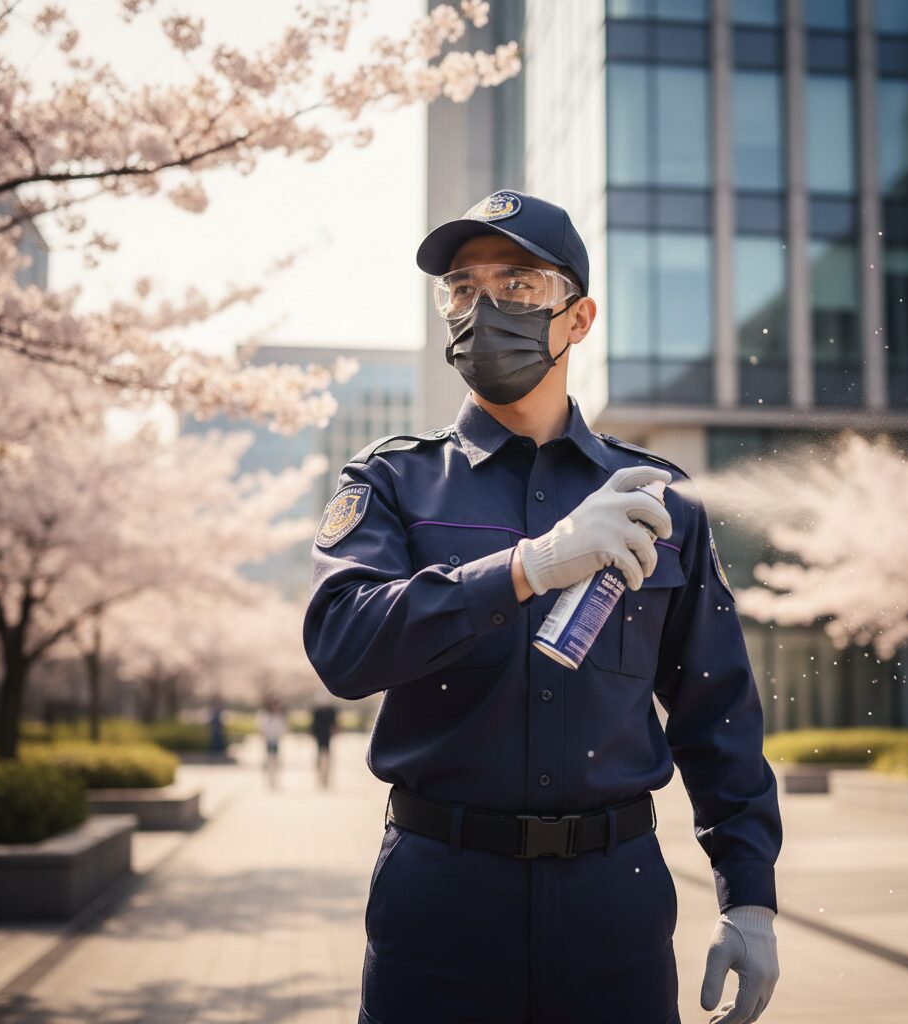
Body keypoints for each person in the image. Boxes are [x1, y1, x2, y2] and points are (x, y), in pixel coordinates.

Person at [303, 190, 782, 1024]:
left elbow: (718, 713)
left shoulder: (658, 502)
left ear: (579, 316)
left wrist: (750, 897)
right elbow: (343, 645)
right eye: (461, 287)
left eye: (519, 284)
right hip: (440, 899)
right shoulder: (389, 481)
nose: (483, 307)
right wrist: (528, 567)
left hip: (616, 901)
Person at [310, 695, 340, 788]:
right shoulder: (317, 712)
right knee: (320, 757)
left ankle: (326, 778)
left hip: (327, 737)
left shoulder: (331, 711)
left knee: (327, 758)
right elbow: (313, 725)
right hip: (319, 737)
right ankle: (320, 777)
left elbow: (335, 724)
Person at [256, 697, 285, 789]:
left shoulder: (278, 716)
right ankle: (269, 780)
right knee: (269, 760)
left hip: (275, 740)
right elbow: (261, 727)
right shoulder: (265, 716)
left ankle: (275, 780)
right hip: (268, 740)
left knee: (275, 760)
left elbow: (282, 728)